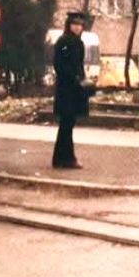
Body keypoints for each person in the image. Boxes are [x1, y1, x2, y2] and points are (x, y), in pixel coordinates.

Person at [51, 11, 91, 169]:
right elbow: (59, 65)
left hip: (75, 89)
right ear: (69, 25)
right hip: (66, 89)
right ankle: (66, 158)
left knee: (68, 124)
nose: (78, 27)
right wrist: (74, 78)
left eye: (80, 25)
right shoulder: (63, 41)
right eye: (75, 24)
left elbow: (79, 66)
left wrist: (82, 79)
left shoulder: (79, 43)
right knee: (66, 124)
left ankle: (61, 158)